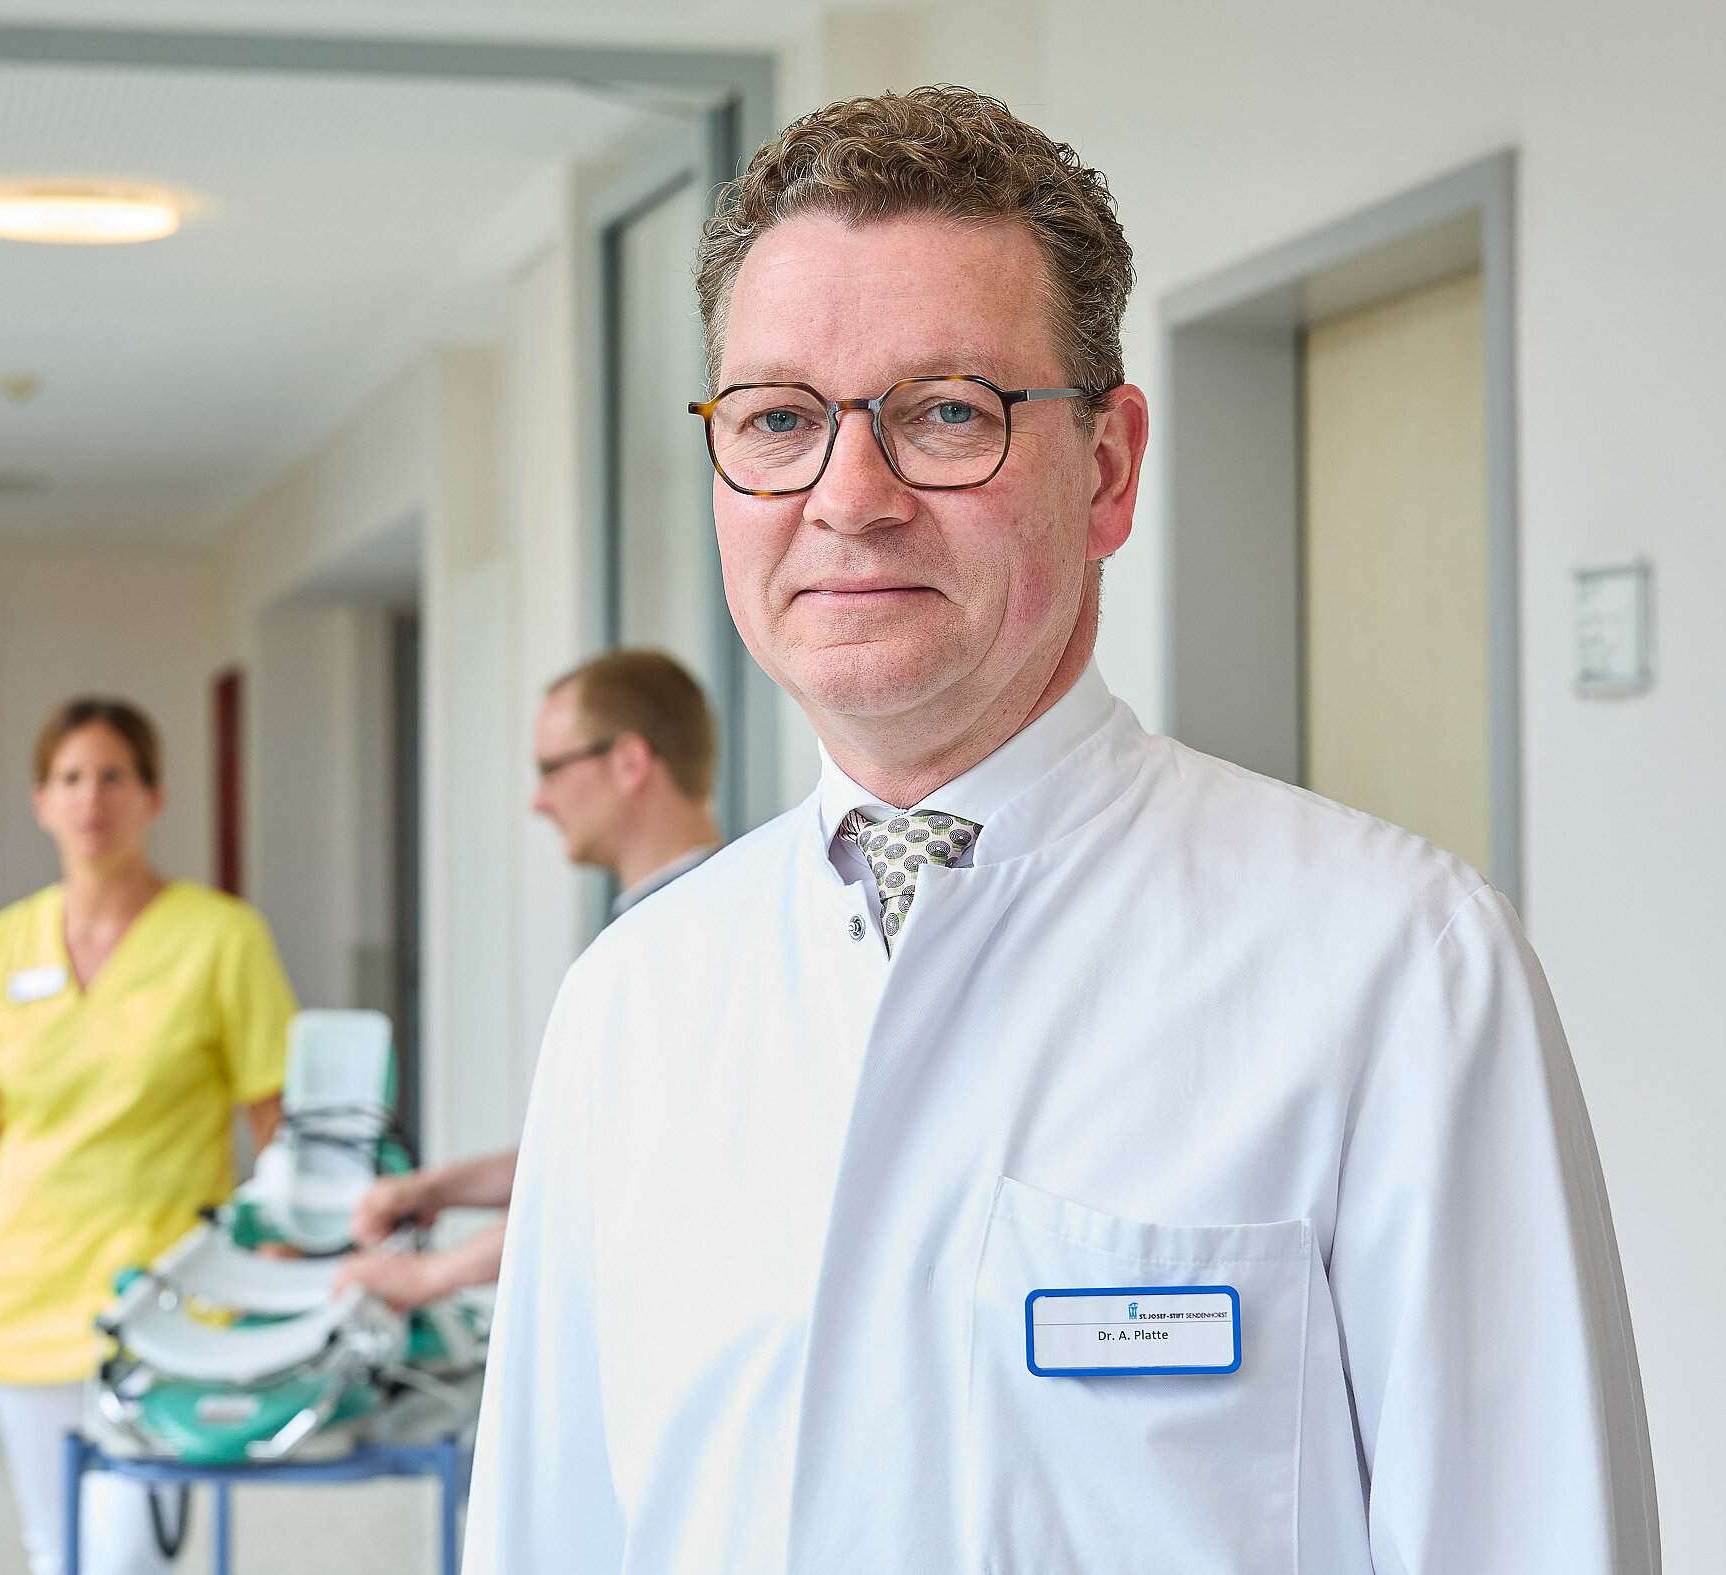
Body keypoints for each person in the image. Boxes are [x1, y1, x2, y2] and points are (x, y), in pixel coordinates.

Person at [465, 88, 1656, 1574]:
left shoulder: (1396, 964)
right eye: (777, 420)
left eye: (947, 412)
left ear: (1106, 469)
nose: (850, 496)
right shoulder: (632, 1004)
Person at [0, 697, 297, 1575]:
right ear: (40, 800)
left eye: (114, 776)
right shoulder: (1, 947)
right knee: (60, 1549)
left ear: (155, 796)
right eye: (70, 778)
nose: (93, 799)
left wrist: (280, 1285)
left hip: (167, 1311)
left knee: (130, 1558)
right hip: (18, 1298)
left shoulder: (221, 937)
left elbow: (277, 1125)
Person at [335, 649, 721, 1310]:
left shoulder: (692, 945)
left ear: (630, 762)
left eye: (551, 769)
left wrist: (435, 1275)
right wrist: (435, 1189)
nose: (538, 800)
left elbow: (628, 1179)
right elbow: (590, 1147)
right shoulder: (660, 926)